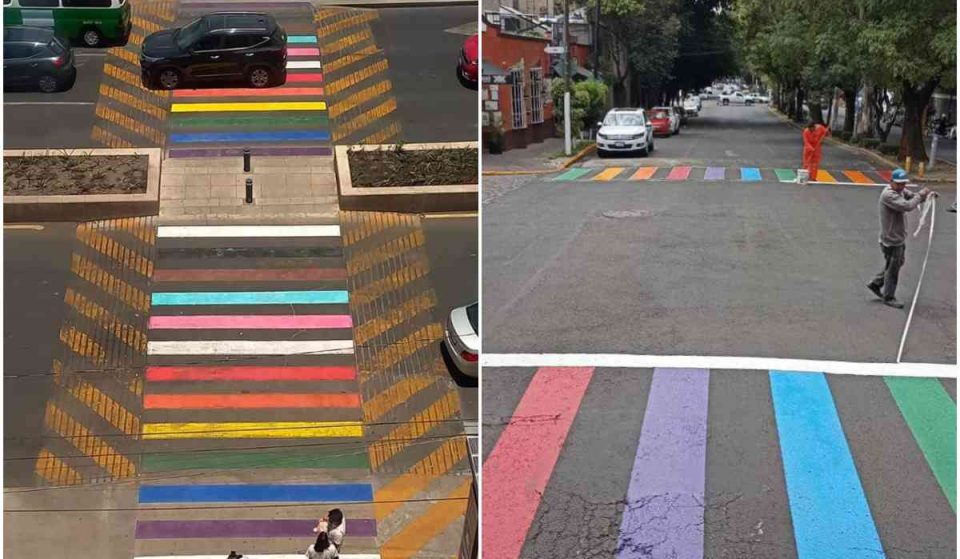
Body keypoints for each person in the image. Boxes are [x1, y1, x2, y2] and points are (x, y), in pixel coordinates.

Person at [866, 168, 934, 308]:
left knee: (895, 263)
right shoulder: (889, 195)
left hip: (897, 237)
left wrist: (927, 196)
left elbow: (911, 196)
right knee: (893, 269)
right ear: (891, 182)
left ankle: (876, 283)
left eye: (904, 183)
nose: (902, 186)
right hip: (891, 240)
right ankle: (889, 297)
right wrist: (921, 195)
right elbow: (908, 206)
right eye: (899, 183)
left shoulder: (900, 191)